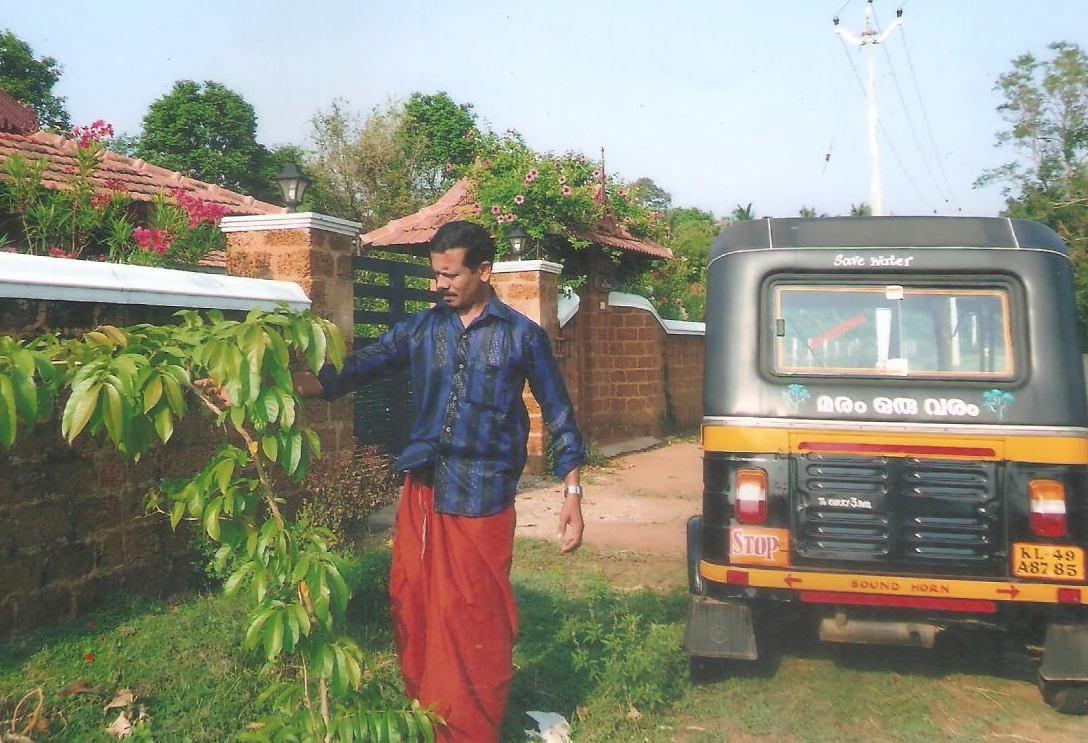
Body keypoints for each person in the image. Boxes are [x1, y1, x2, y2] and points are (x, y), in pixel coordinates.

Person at [292, 220, 586, 743]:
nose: (440, 285)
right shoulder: (424, 328)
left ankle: (469, 730)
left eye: (449, 275)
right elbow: (360, 367)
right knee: (413, 600)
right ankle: (426, 715)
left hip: (483, 494)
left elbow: (559, 414)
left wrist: (573, 492)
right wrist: (280, 388)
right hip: (424, 488)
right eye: (435, 275)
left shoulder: (522, 336)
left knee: (474, 618)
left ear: (484, 271)